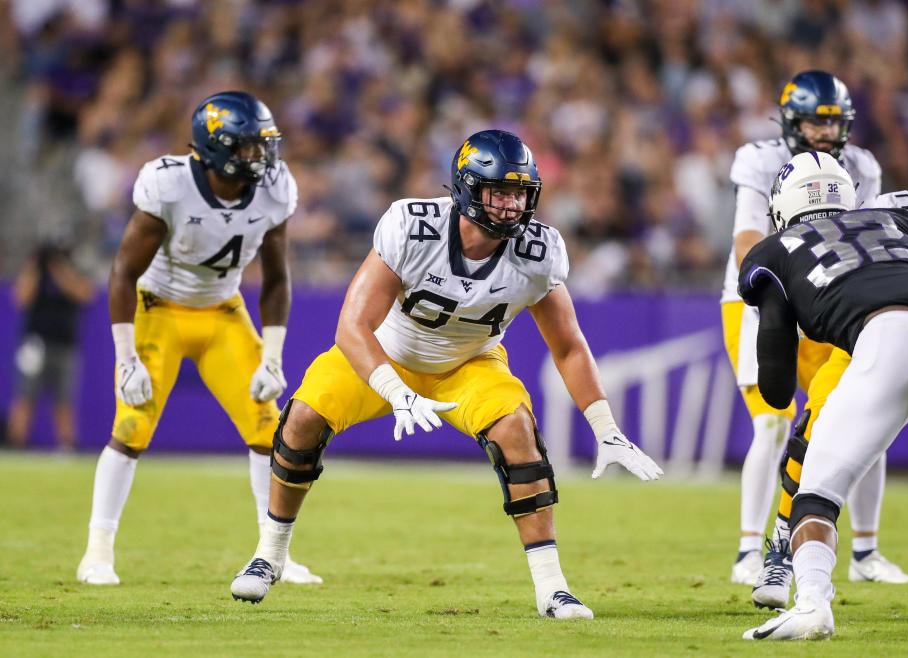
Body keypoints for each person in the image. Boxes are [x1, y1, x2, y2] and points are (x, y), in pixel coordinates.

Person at [229, 129, 663, 619]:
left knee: (517, 431)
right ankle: (270, 554)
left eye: (520, 192)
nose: (510, 205)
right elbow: (352, 327)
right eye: (499, 191)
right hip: (385, 355)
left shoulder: (538, 253)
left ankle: (552, 588)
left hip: (469, 364)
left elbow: (568, 347)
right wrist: (394, 391)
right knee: (302, 420)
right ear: (466, 188)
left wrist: (604, 427)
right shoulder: (414, 227)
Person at [76, 91, 321, 587]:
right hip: (158, 307)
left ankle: (272, 553)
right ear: (216, 149)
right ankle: (97, 550)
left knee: (267, 426)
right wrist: (126, 359)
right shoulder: (168, 183)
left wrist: (271, 357)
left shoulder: (274, 188)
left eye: (263, 146)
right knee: (131, 428)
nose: (262, 158)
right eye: (249, 148)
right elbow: (123, 272)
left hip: (222, 311)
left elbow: (276, 279)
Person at [740, 151, 908, 640]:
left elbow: (776, 387)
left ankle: (812, 605)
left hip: (886, 342)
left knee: (814, 496)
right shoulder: (892, 219)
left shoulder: (772, 251)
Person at [720, 70, 908, 590]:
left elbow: (864, 240)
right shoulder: (759, 160)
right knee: (772, 424)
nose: (824, 132)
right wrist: (782, 291)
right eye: (813, 121)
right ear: (789, 120)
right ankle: (747, 551)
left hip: (830, 302)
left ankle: (866, 551)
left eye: (832, 122)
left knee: (868, 420)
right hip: (763, 297)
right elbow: (748, 242)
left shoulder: (862, 167)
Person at [6, 241, 94, 450]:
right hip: (35, 345)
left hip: (65, 345)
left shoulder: (74, 269)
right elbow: (20, 298)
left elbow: (85, 294)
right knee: (25, 396)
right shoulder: (36, 271)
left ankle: (66, 445)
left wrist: (59, 269)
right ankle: (15, 445)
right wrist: (33, 266)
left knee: (64, 399)